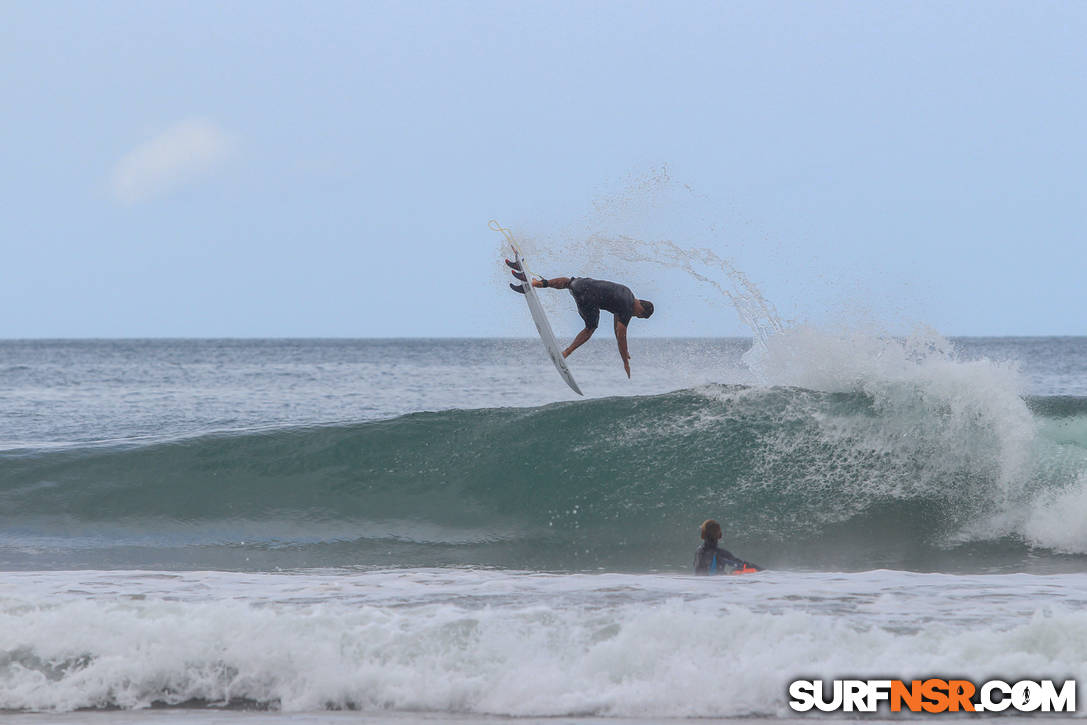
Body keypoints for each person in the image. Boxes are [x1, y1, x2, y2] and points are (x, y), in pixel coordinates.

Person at [509, 269, 654, 378]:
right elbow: (621, 335)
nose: (635, 316)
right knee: (591, 328)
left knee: (568, 282)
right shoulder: (628, 308)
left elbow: (617, 331)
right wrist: (625, 362)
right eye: (638, 316)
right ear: (641, 310)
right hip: (588, 299)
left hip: (581, 284)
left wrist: (625, 351)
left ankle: (536, 283)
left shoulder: (627, 293)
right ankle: (566, 353)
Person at [693, 519, 761, 575]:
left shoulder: (698, 551)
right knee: (735, 570)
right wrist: (764, 571)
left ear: (702, 535)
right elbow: (741, 564)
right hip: (715, 587)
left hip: (699, 586)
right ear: (720, 535)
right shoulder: (720, 554)